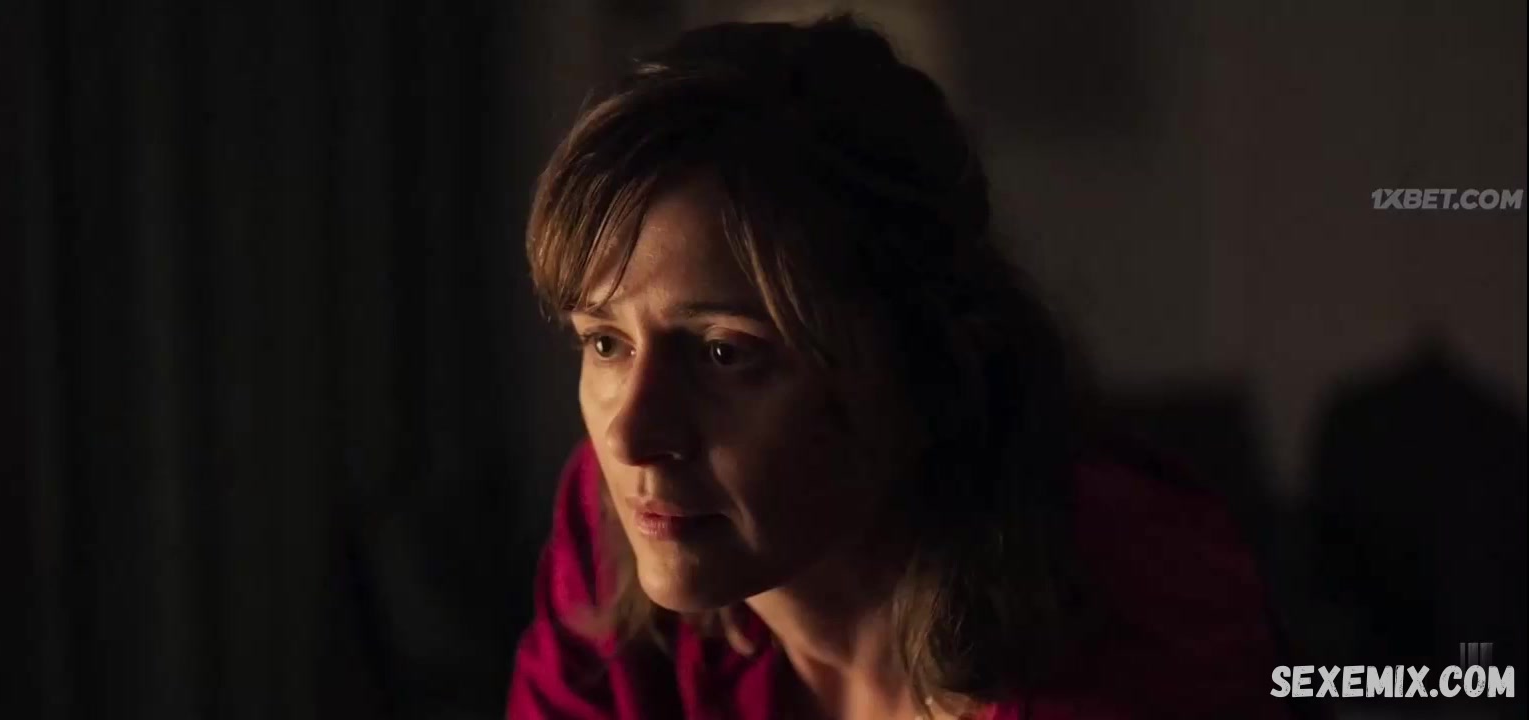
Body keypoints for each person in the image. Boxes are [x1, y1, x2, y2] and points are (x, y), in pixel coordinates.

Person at [507, 14, 1286, 720]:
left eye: (723, 353)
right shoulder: (619, 519)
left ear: (918, 366)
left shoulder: (1137, 609)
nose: (631, 436)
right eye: (604, 342)